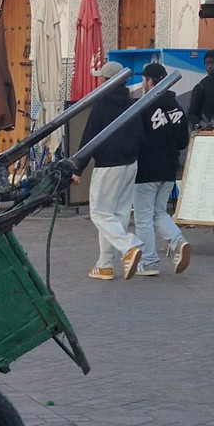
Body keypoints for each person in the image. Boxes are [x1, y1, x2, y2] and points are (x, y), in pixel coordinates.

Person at [71, 60, 143, 282]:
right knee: (119, 214)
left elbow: (90, 136)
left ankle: (128, 247)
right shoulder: (132, 103)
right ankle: (105, 264)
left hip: (108, 165)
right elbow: (141, 133)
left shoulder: (102, 104)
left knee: (100, 213)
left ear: (106, 80)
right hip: (130, 163)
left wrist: (79, 167)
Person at [132, 63, 191, 277]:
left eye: (144, 79)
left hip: (146, 170)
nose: (142, 83)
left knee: (143, 217)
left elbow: (135, 139)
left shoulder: (144, 106)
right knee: (159, 212)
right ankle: (178, 241)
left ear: (150, 82)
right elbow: (183, 141)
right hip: (169, 170)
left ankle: (149, 262)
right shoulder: (176, 107)